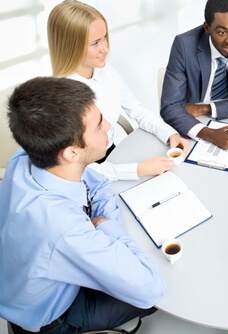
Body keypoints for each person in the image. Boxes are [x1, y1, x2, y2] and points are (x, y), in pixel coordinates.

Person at [0, 77, 165, 333]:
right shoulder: (62, 227)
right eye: (99, 125)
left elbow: (97, 184)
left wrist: (104, 226)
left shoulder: (27, 158)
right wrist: (107, 230)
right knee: (165, 293)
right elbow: (149, 287)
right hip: (54, 317)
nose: (108, 125)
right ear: (72, 153)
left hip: (23, 284)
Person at [47, 0, 190, 181]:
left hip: (112, 154)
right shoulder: (62, 98)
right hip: (94, 174)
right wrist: (138, 169)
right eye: (95, 43)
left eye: (105, 37)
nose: (105, 48)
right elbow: (81, 171)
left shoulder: (103, 69)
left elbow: (136, 109)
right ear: (71, 46)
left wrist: (169, 133)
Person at [160, 0, 228, 150]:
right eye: (222, 32)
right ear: (207, 27)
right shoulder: (184, 45)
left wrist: (206, 108)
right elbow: (170, 107)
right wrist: (209, 134)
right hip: (191, 123)